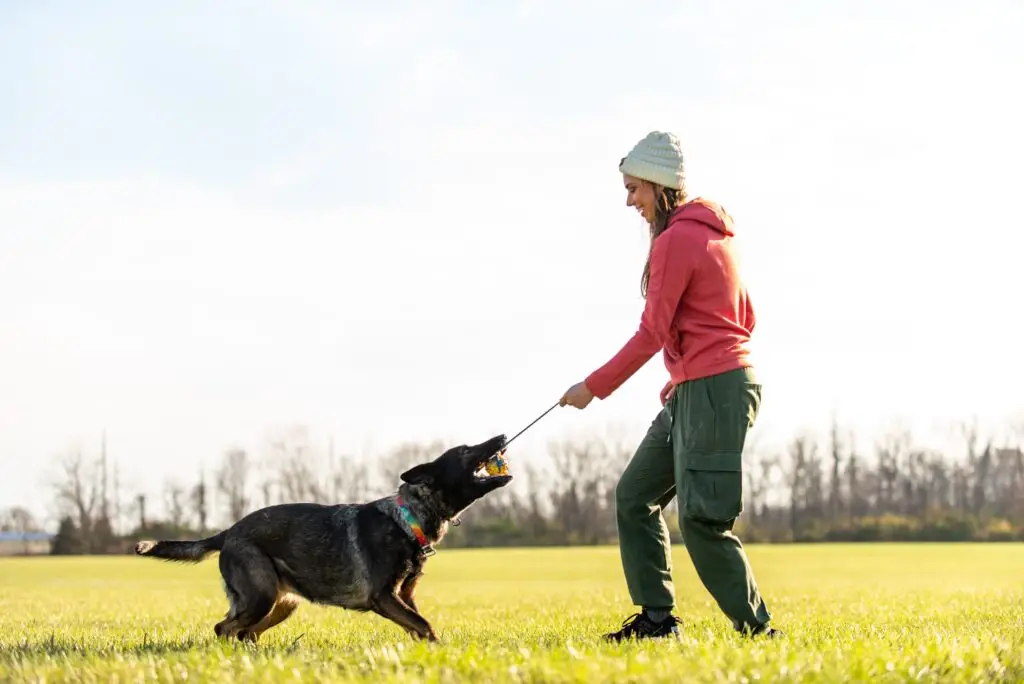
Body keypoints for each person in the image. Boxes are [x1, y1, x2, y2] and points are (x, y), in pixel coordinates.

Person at [558, 130, 779, 641]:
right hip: (696, 389)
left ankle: (759, 630)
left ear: (659, 186)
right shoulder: (711, 235)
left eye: (634, 188)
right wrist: (684, 375)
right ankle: (657, 621)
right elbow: (742, 316)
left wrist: (593, 386)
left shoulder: (681, 237)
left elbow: (653, 332)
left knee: (702, 520)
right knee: (635, 496)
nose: (630, 200)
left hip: (713, 389)